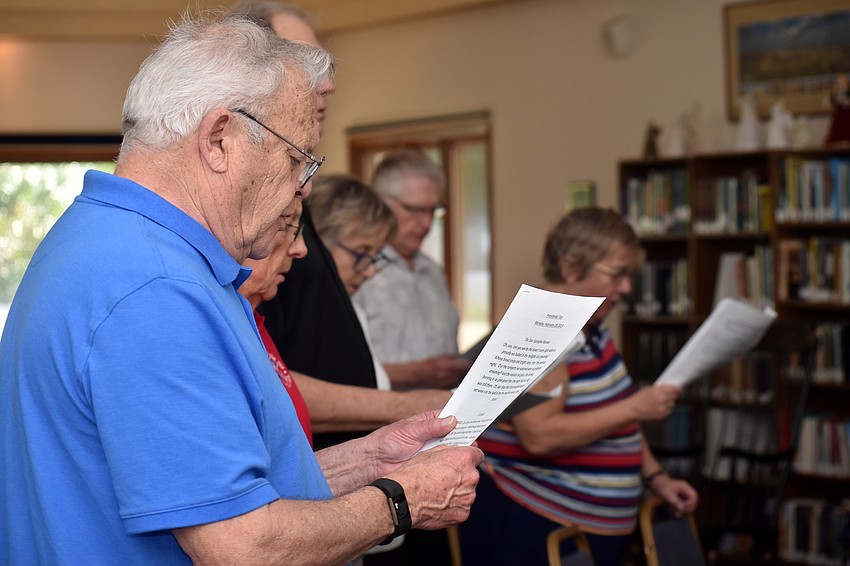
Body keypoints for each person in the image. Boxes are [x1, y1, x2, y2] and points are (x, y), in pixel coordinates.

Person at [0, 13, 483, 565]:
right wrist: (404, 500)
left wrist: (368, 462)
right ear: (220, 138)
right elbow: (242, 548)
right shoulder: (155, 289)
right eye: (297, 158)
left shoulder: (104, 236)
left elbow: (208, 497)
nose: (302, 187)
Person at [231, 1, 451, 455]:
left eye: (325, 67)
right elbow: (261, 372)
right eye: (305, 65)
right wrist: (408, 403)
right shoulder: (245, 208)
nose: (327, 84)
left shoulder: (293, 188)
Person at [459, 207, 699, 566]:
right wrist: (636, 407)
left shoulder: (593, 327)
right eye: (617, 275)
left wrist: (656, 477)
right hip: (540, 530)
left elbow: (617, 421)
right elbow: (539, 436)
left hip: (592, 531)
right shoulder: (541, 330)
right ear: (571, 266)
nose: (626, 289)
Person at [353, 148, 471, 390]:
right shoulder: (357, 271)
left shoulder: (433, 272)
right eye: (415, 210)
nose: (426, 224)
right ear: (381, 203)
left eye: (433, 211)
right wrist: (416, 374)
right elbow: (339, 371)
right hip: (382, 422)